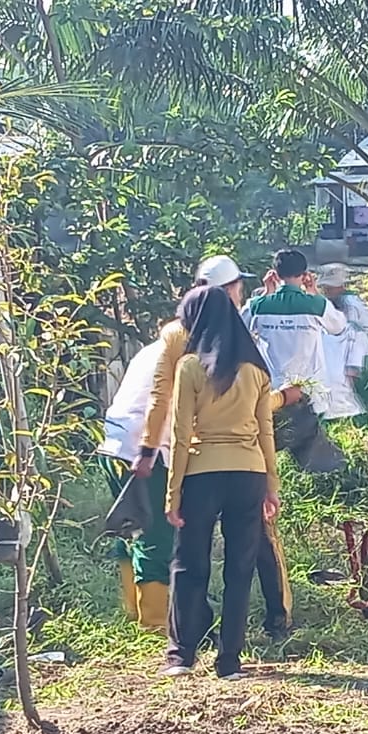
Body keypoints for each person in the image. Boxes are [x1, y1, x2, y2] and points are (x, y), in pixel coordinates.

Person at [135, 262, 299, 642]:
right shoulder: (233, 341)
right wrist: (271, 483)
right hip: (243, 466)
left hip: (198, 464)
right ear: (228, 292)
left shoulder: (182, 341)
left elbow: (171, 412)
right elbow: (261, 418)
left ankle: (184, 647)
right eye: (237, 288)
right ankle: (257, 634)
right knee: (246, 557)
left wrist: (156, 461)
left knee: (190, 559)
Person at [163, 286, 281, 680]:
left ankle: (181, 656)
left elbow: (181, 434)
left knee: (189, 563)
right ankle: (229, 661)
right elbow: (266, 433)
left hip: (202, 475)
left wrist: (172, 493)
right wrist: (271, 487)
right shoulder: (257, 370)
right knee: (240, 569)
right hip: (249, 474)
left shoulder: (190, 367)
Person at [97, 337, 173, 631]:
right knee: (156, 535)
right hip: (143, 456)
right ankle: (154, 623)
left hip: (115, 446)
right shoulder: (179, 354)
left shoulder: (153, 350)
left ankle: (132, 606)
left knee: (132, 527)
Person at [244, 249, 350, 419]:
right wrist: (314, 292)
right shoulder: (317, 304)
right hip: (310, 391)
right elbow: (339, 327)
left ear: (275, 274)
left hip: (273, 391)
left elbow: (240, 329)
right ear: (304, 274)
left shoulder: (257, 306)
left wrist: (266, 293)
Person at [316, 263, 368, 419]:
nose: (327, 290)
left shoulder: (349, 304)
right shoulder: (333, 302)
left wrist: (352, 365)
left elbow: (354, 336)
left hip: (361, 353)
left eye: (330, 287)